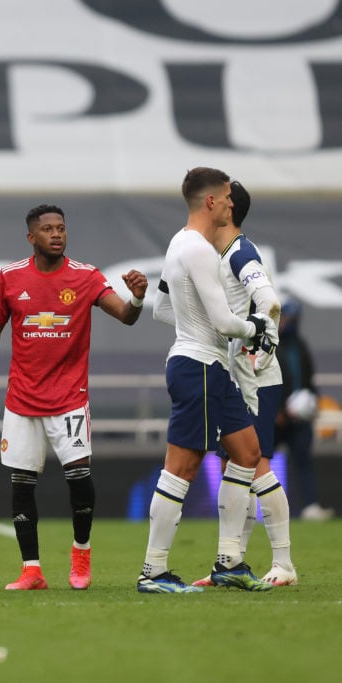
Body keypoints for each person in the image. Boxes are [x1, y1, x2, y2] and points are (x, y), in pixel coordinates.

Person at [0, 204, 148, 591]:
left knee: (79, 478)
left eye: (62, 228)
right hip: (22, 400)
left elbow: (124, 314)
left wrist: (135, 299)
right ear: (32, 237)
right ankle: (31, 570)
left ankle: (80, 554)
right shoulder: (11, 277)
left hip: (69, 398)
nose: (57, 234)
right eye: (48, 229)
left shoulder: (85, 277)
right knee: (21, 484)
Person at [137, 167, 276, 594]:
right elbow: (222, 320)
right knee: (183, 466)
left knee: (248, 452)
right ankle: (153, 571)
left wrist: (202, 326)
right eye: (229, 200)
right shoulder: (198, 249)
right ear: (212, 201)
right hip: (198, 365)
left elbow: (161, 309)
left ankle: (230, 562)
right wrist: (258, 327)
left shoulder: (179, 242)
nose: (234, 207)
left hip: (204, 364)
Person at [184, 180, 296, 587]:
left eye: (218, 198)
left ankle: (284, 564)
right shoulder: (223, 255)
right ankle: (228, 562)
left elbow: (269, 301)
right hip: (236, 376)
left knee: (255, 463)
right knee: (235, 468)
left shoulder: (241, 253)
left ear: (226, 209)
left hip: (256, 378)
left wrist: (265, 346)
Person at [276, 296, 335, 521]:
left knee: (304, 462)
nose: (285, 322)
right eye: (283, 317)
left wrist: (312, 403)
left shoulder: (300, 346)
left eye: (290, 318)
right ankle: (253, 508)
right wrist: (276, 411)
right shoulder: (270, 345)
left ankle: (310, 507)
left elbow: (308, 380)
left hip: (300, 418)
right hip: (276, 417)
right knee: (259, 461)